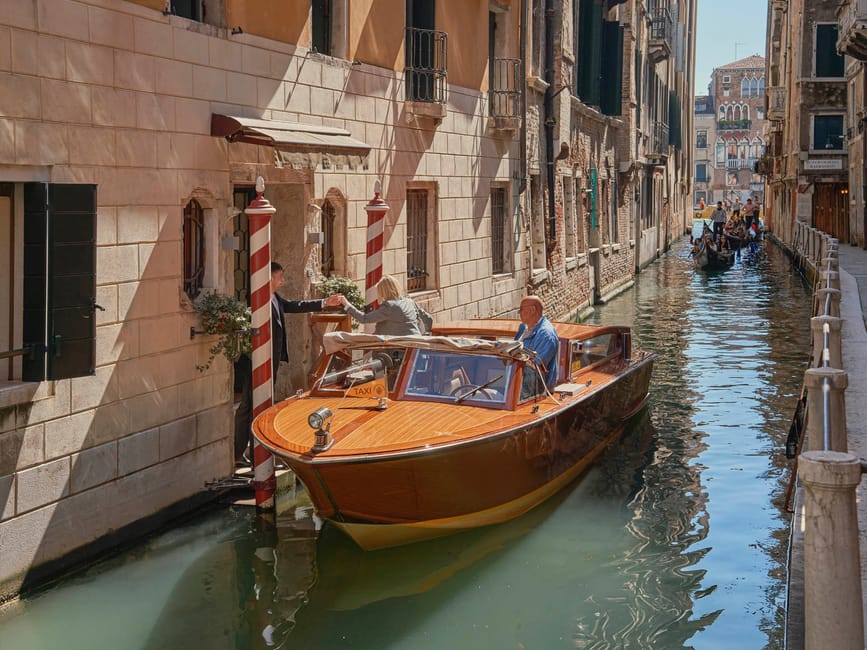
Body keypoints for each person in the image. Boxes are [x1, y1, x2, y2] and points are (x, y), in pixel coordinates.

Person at [233, 262, 343, 465]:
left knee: (257, 405)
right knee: (249, 406)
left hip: (270, 361)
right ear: (270, 278)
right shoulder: (256, 298)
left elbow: (294, 306)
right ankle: (242, 454)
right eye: (280, 277)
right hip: (254, 363)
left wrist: (324, 303)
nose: (282, 281)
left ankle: (253, 453)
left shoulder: (274, 297)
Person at [338, 275, 433, 336]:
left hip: (396, 348)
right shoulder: (410, 301)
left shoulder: (389, 306)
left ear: (383, 292)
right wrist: (425, 335)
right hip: (416, 343)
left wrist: (346, 303)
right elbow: (428, 318)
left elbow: (364, 319)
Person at [514, 296, 559, 389]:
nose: (519, 313)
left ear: (532, 310)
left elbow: (535, 368)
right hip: (518, 383)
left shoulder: (546, 335)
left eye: (521, 309)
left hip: (537, 390)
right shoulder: (523, 328)